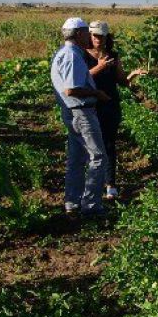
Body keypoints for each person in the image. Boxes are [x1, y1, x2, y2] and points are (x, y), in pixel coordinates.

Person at [50, 18, 110, 216]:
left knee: (77, 158)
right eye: (86, 32)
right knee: (98, 157)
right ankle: (91, 206)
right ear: (78, 34)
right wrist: (97, 94)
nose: (90, 36)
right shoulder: (72, 55)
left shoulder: (65, 53)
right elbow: (71, 89)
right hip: (81, 112)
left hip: (74, 112)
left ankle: (72, 202)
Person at [85, 21, 147, 200]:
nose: (98, 39)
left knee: (109, 144)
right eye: (95, 35)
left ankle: (110, 184)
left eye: (101, 35)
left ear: (106, 37)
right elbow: (78, 79)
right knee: (91, 146)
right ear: (90, 35)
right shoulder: (83, 55)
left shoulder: (112, 55)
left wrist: (132, 76)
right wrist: (99, 67)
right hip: (90, 105)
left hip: (110, 105)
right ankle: (92, 183)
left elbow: (121, 80)